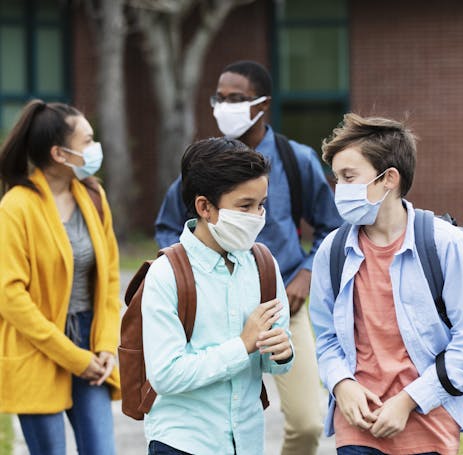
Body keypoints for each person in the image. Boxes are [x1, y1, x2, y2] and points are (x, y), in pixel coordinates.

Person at [154, 60, 339, 454]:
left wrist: (304, 278)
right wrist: (195, 273)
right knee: (218, 402)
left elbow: (331, 226)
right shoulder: (204, 166)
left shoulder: (296, 159)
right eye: (219, 99)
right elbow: (168, 228)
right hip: (209, 303)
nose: (224, 107)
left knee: (308, 422)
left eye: (236, 99)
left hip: (282, 301)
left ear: (263, 104)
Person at [309, 113, 463, 455]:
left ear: (389, 179)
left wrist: (409, 401)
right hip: (357, 424)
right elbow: (325, 336)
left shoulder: (445, 245)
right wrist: (341, 385)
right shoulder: (332, 250)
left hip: (429, 420)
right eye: (336, 178)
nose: (339, 189)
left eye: (349, 177)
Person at [141, 138, 293, 454]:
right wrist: (242, 345)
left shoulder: (264, 265)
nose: (257, 215)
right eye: (244, 206)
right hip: (183, 443)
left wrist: (282, 352)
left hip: (247, 441)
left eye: (261, 204)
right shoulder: (166, 273)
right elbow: (165, 375)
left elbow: (274, 365)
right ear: (204, 207)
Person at [0, 99, 121, 455]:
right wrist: (73, 356)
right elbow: (10, 297)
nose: (95, 148)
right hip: (37, 346)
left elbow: (110, 276)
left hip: (90, 342)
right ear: (59, 153)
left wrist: (104, 345)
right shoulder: (15, 207)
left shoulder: (94, 195)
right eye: (87, 141)